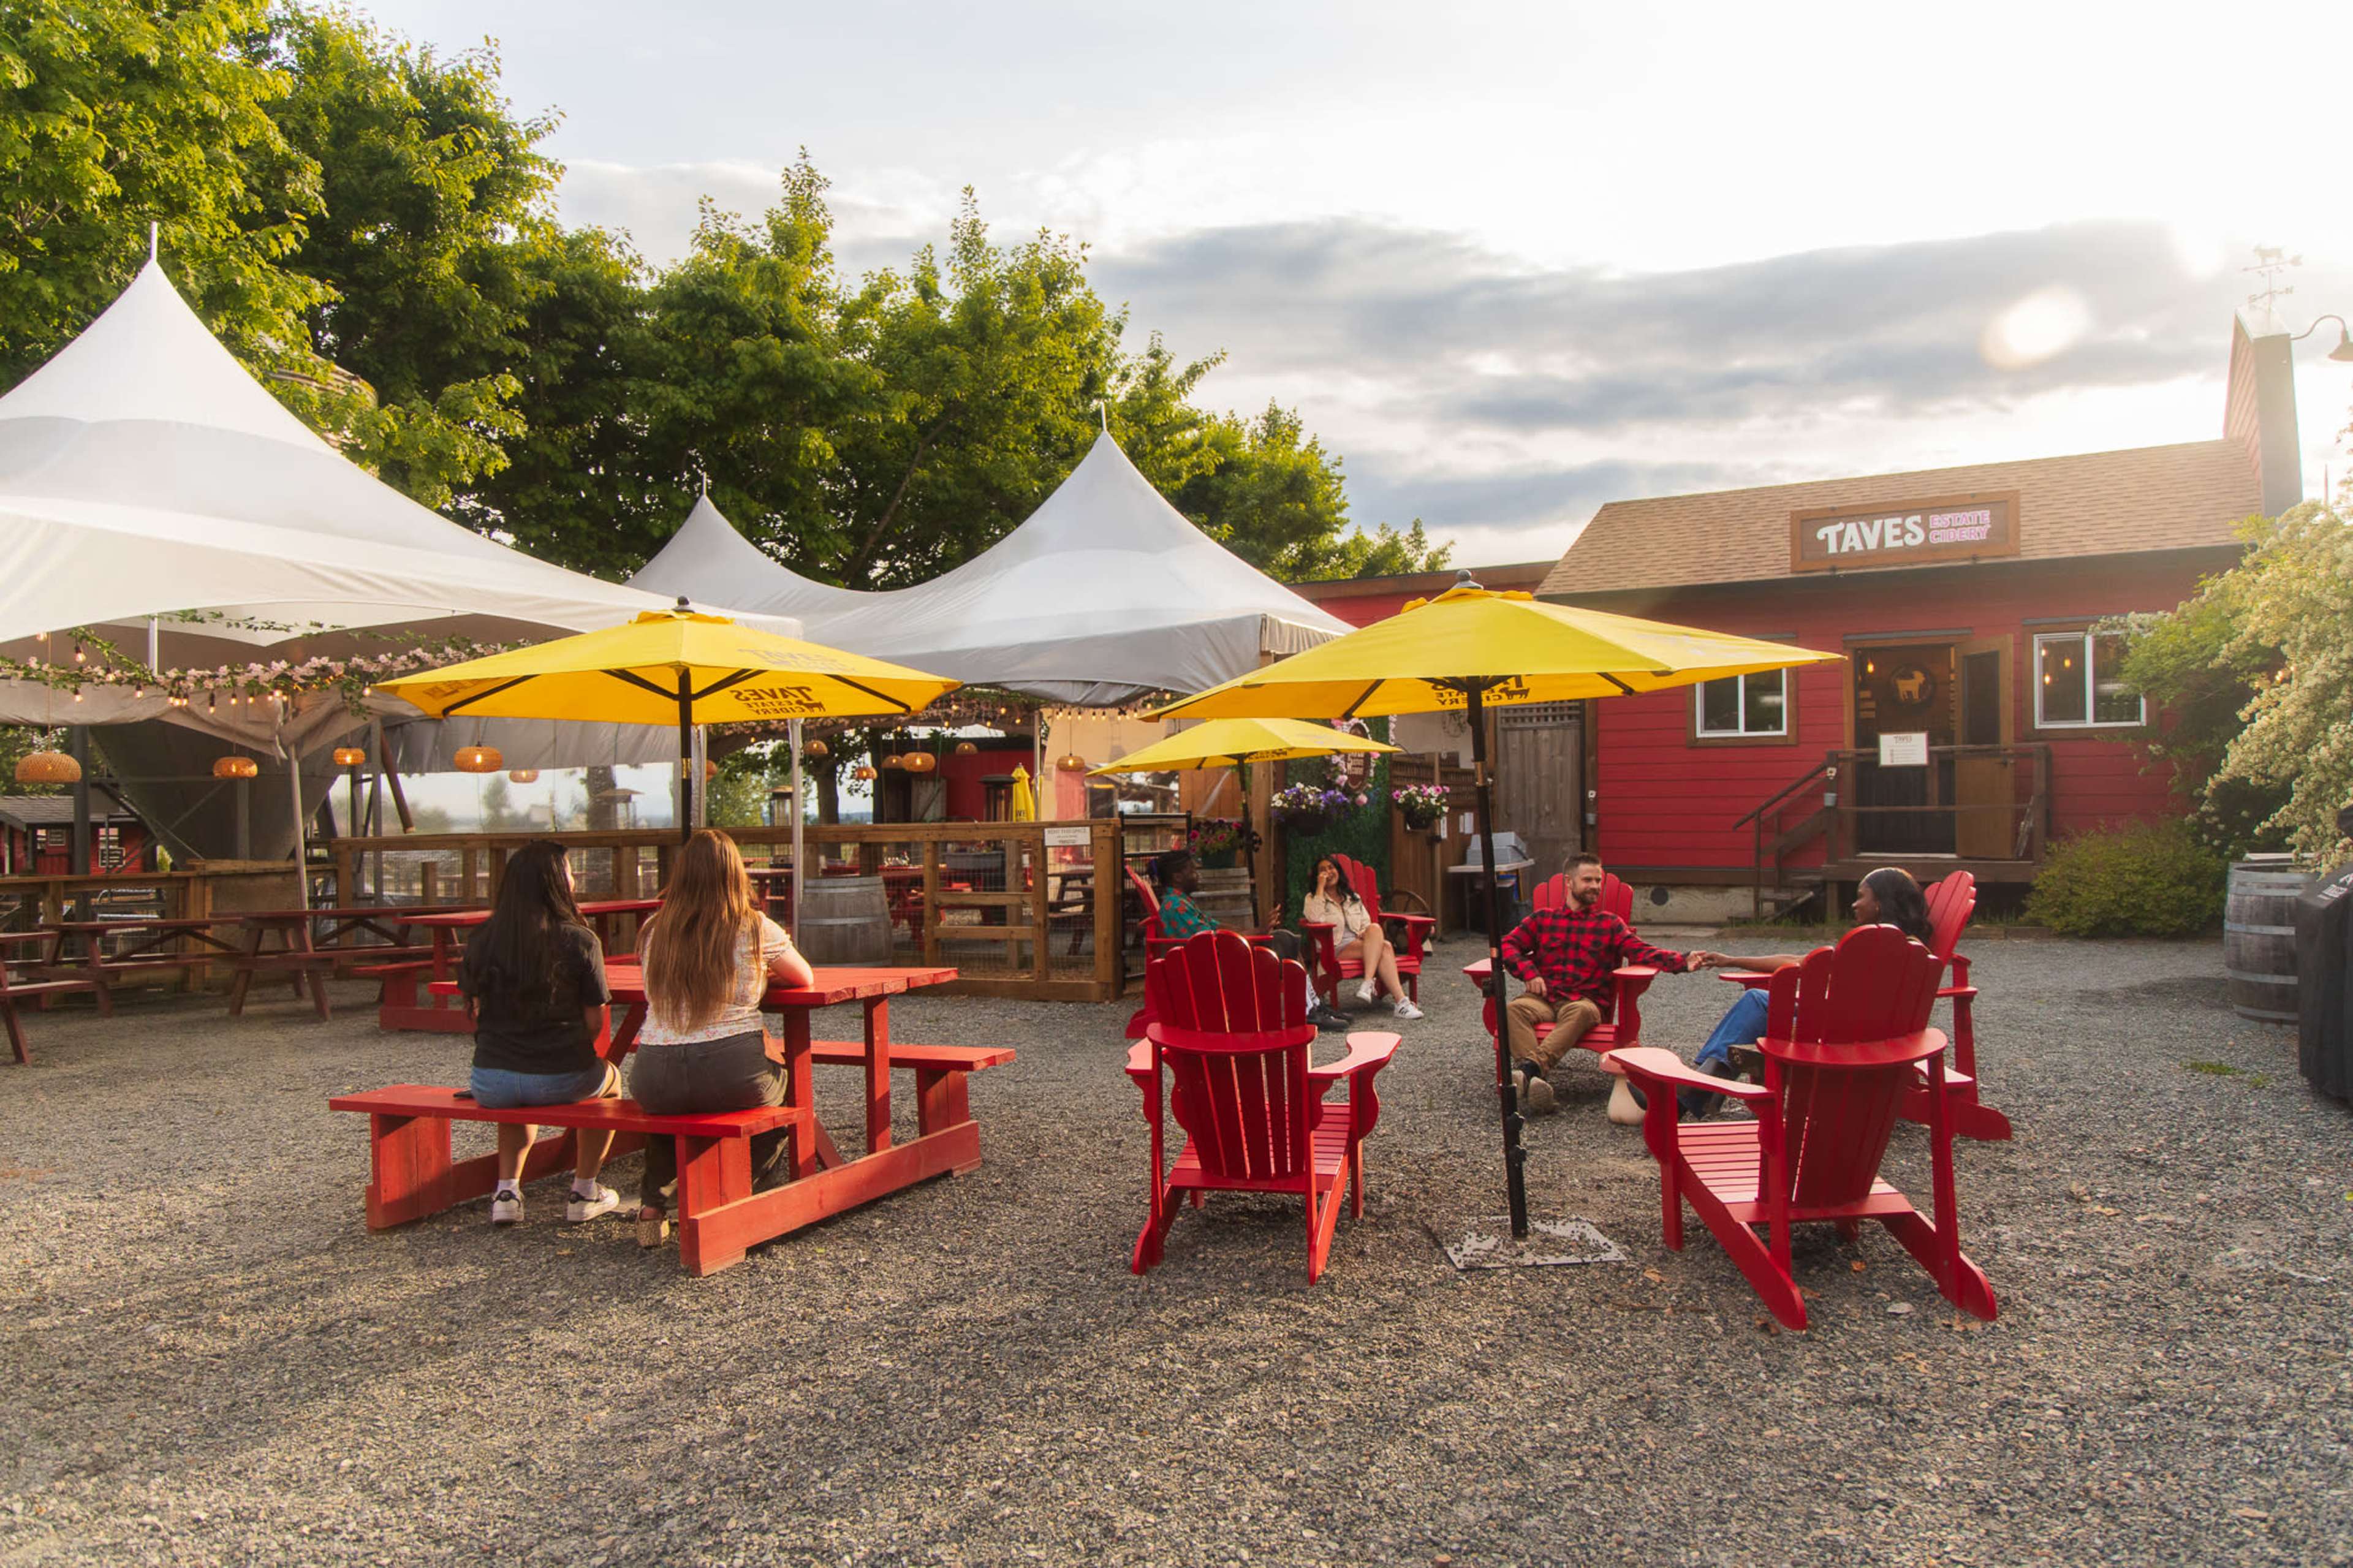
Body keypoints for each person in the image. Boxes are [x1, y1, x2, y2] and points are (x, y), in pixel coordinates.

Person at [630, 829, 816, 1248]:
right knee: (785, 1096)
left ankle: (651, 1211)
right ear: (735, 874)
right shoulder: (753, 927)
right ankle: (732, 1193)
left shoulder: (654, 929)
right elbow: (804, 976)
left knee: (670, 1114)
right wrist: (761, 974)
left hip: (654, 1072)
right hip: (731, 1069)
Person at [1678, 866, 1936, 1120]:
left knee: (1760, 1009)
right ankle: (1704, 1083)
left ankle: (1697, 1087)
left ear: (1880, 903)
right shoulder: (1898, 946)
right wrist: (1731, 960)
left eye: (1861, 897)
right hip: (1851, 1029)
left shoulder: (1886, 949)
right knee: (1757, 1000)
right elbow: (1801, 961)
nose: (1854, 905)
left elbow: (1811, 969)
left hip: (1846, 1040)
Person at [457, 839, 623, 1225]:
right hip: (561, 1077)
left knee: (517, 1093)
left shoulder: (483, 938)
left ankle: (507, 1193)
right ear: (555, 883)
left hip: (489, 1081)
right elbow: (596, 1023)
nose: (574, 878)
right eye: (568, 871)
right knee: (612, 1079)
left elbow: (476, 1009)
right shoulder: (580, 940)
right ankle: (585, 1190)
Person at [1498, 851, 1705, 1118]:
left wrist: (1681, 961)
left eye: (1598, 880)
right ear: (1569, 883)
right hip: (1543, 999)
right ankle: (1534, 1078)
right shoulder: (1542, 920)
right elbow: (1507, 946)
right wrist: (1528, 973)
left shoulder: (1609, 924)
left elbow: (1640, 951)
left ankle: (1529, 1070)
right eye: (1588, 880)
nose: (1595, 886)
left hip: (1584, 1003)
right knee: (1513, 1009)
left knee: (1582, 1012)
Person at [1152, 849, 1350, 1030]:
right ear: (1177, 877)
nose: (1198, 875)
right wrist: (1257, 934)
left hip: (1212, 960)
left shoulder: (1181, 901)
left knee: (1283, 940)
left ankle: (1313, 1006)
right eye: (1192, 871)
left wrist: (1259, 930)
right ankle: (1309, 1011)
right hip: (1209, 968)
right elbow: (1210, 939)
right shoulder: (1176, 906)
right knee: (1282, 942)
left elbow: (1216, 926)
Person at [1300, 855, 1422, 1020]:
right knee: (1384, 947)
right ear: (1317, 877)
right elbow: (1314, 918)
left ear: (1338, 871)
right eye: (1323, 870)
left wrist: (1366, 933)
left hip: (1359, 945)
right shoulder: (1312, 898)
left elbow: (1366, 923)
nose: (1328, 872)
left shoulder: (1353, 898)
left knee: (1378, 934)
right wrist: (1320, 888)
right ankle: (1398, 1001)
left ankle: (1374, 988)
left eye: (1331, 868)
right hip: (1334, 949)